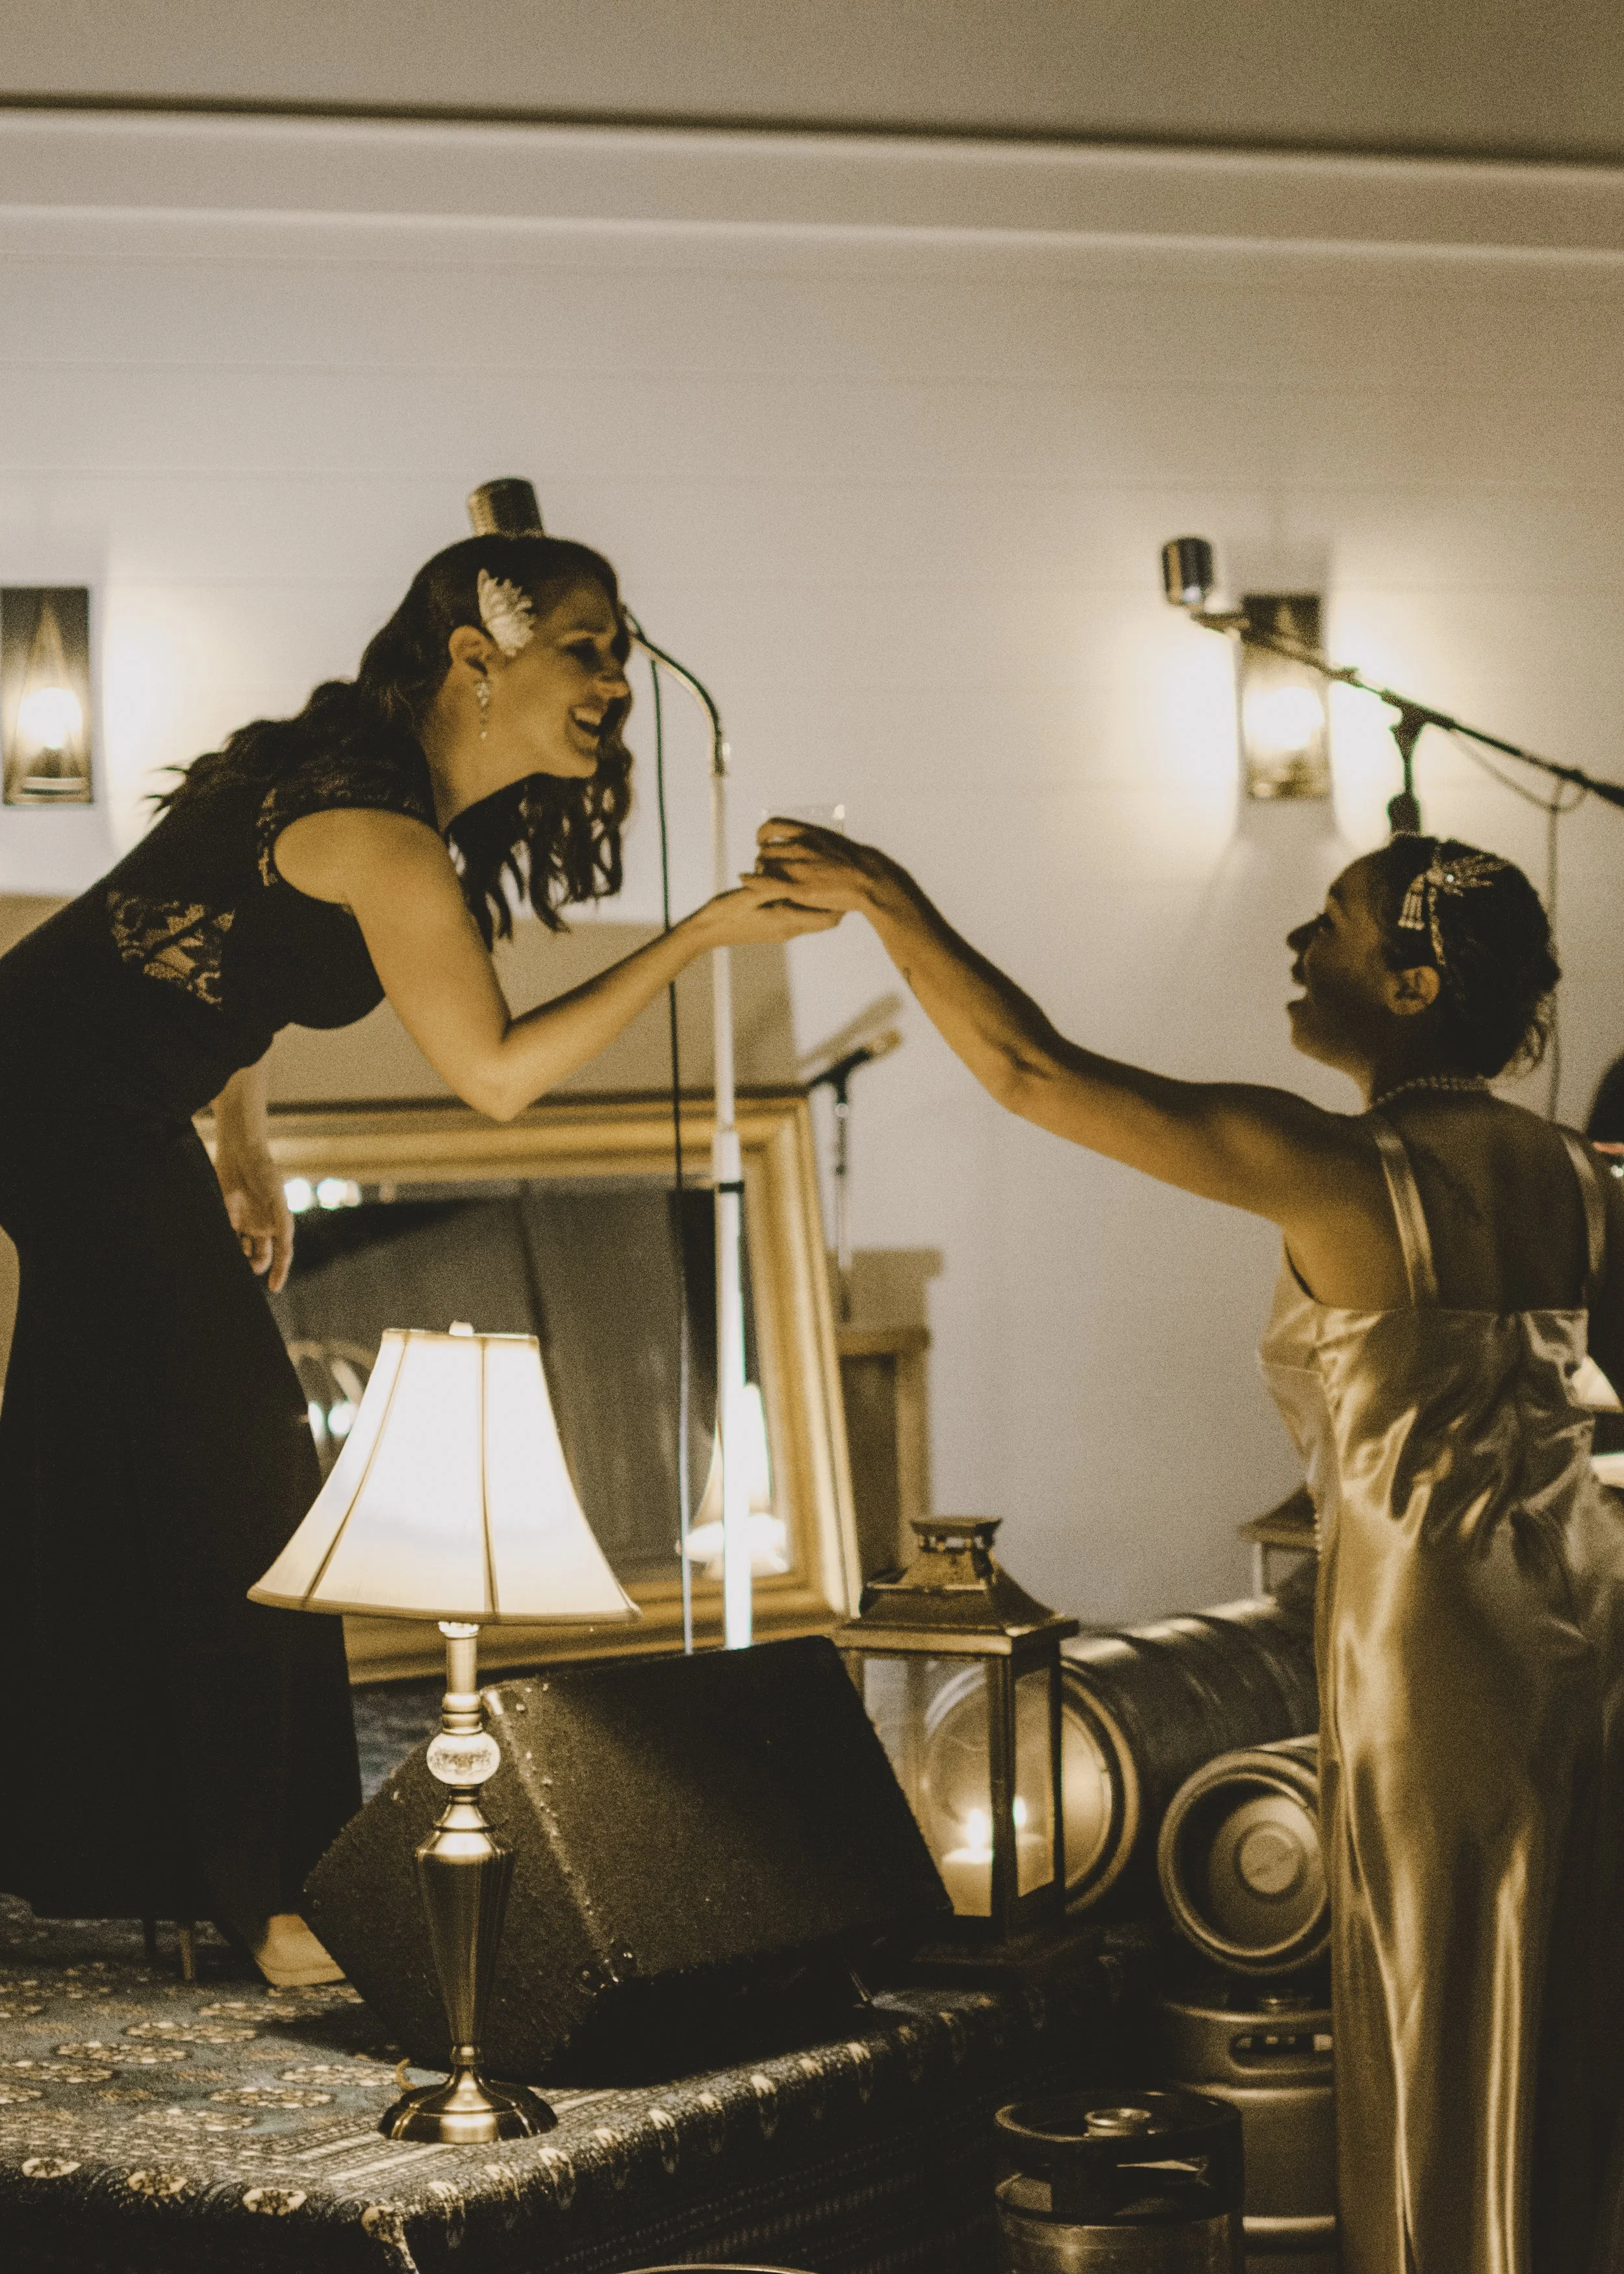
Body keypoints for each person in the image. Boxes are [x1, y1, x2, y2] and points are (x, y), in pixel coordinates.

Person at [749, 820, 1624, 2273]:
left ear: (1411, 986)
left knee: (1427, 2023)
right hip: (1581, 1646)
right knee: (1558, 2022)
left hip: (1431, 1662)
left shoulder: (1337, 1162)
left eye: (1331, 923)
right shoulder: (1575, 1177)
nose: (1296, 945)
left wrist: (888, 899)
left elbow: (1033, 1075)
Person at [0, 532, 830, 1985]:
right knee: (251, 1476)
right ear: (474, 658)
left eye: (621, 662)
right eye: (587, 649)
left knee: (99, 1478)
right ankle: (274, 1897)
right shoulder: (380, 834)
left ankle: (151, 1865)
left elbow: (207, 962)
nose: (614, 687)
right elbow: (496, 1076)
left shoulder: (346, 788)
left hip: (84, 1104)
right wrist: (698, 935)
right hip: (51, 1108)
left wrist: (240, 1140)